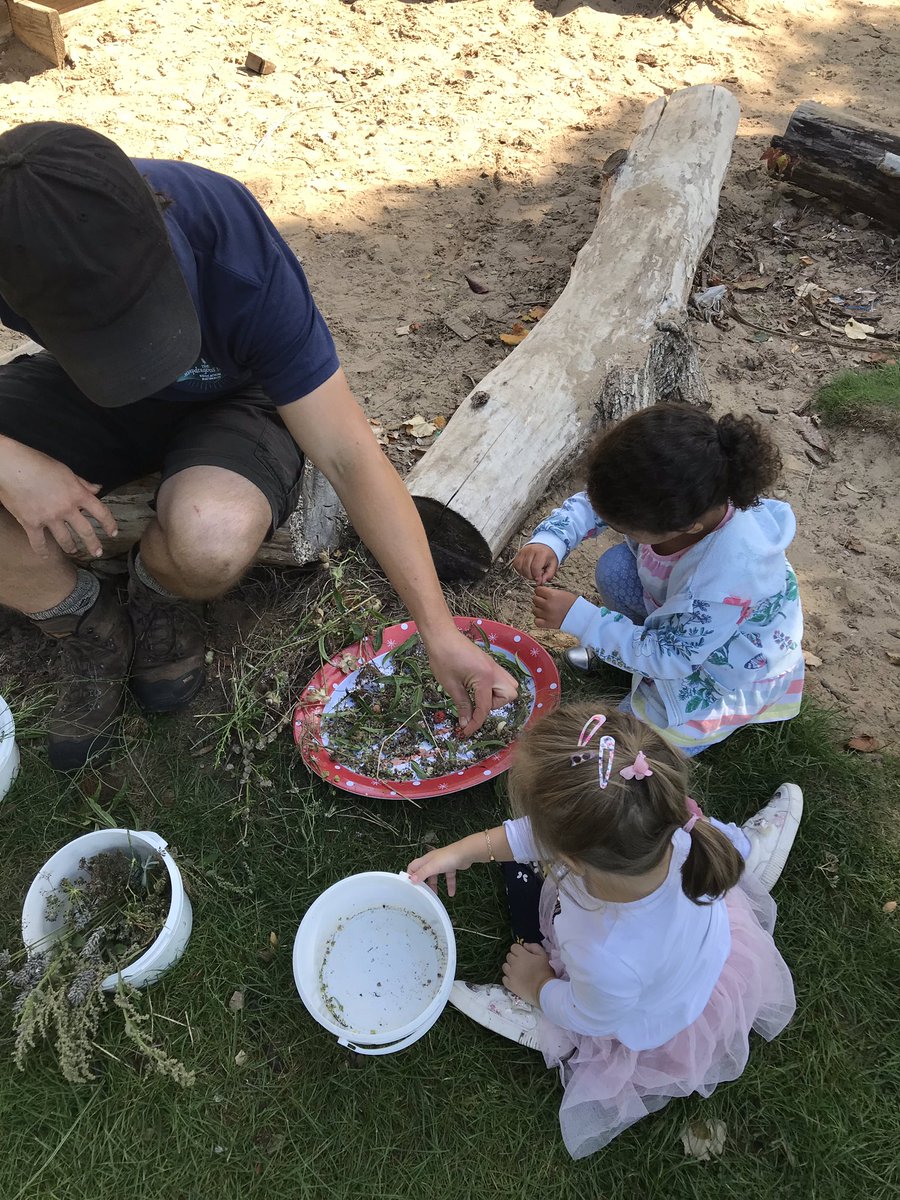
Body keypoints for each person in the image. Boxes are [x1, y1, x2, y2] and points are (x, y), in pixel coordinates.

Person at [0, 121, 515, 770]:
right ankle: (86, 625)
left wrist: (437, 631)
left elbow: (350, 454)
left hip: (232, 395)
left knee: (211, 533)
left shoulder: (231, 241)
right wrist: (12, 465)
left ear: (160, 219)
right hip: (84, 388)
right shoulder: (12, 237)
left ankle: (158, 593)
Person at [408, 704, 801, 1159]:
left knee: (531, 927)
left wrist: (540, 985)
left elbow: (593, 1015)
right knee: (729, 852)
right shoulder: (678, 830)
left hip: (631, 1012)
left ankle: (536, 1020)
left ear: (568, 860)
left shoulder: (604, 955)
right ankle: (749, 854)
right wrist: (460, 853)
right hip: (695, 950)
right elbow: (538, 836)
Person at [512, 404, 804, 756]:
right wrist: (551, 540)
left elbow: (674, 658)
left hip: (717, 671)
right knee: (616, 567)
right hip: (683, 625)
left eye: (623, 526)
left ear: (685, 527)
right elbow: (598, 503)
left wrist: (582, 619)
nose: (613, 525)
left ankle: (643, 670)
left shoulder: (722, 584)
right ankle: (628, 650)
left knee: (625, 749)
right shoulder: (682, 497)